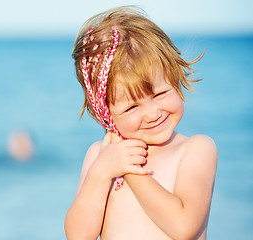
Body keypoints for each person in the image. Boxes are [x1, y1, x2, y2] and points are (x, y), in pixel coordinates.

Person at [64, 6, 217, 240]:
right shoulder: (100, 157)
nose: (152, 113)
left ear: (175, 77)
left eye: (160, 94)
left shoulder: (196, 150)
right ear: (106, 112)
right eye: (132, 107)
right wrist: (100, 173)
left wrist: (131, 170)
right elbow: (78, 235)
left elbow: (184, 227)